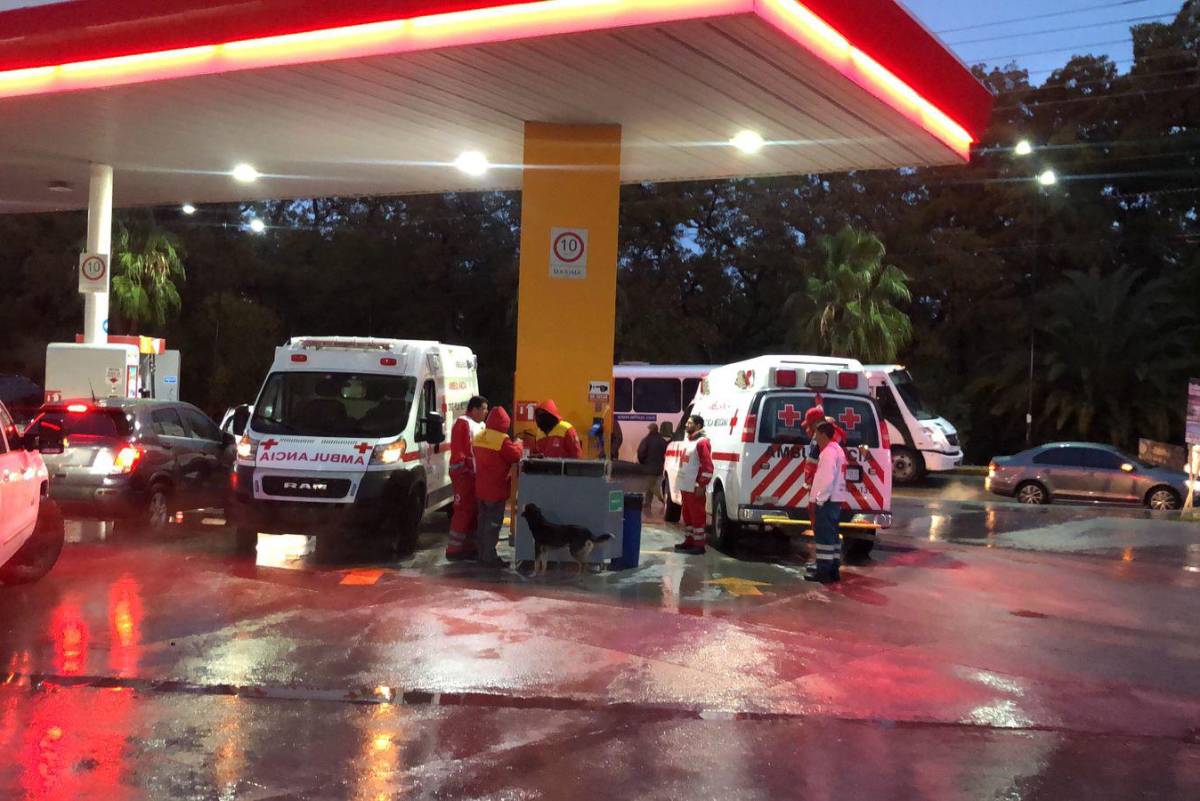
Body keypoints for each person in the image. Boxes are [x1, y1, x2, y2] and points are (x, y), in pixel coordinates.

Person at [473, 406, 523, 568]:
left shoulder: (479, 435)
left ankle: (482, 553)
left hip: (480, 488)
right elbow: (515, 455)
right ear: (505, 423)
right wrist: (519, 443)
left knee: (482, 522)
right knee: (493, 524)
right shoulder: (502, 440)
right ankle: (489, 557)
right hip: (496, 489)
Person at [445, 395, 488, 561]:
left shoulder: (481, 425)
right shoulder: (462, 423)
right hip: (464, 475)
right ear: (474, 409)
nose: (486, 412)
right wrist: (465, 468)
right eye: (483, 409)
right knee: (463, 510)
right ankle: (454, 549)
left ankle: (469, 546)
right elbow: (459, 451)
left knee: (473, 511)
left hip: (475, 475)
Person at [807, 421, 848, 584]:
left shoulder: (828, 453)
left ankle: (823, 572)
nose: (815, 438)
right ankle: (833, 569)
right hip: (835, 500)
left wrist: (820, 500)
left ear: (823, 434)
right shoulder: (837, 449)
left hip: (827, 501)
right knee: (833, 537)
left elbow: (826, 479)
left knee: (824, 538)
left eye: (816, 434)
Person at [673, 414, 713, 555]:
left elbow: (707, 467)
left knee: (697, 515)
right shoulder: (688, 441)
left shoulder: (702, 443)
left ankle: (699, 545)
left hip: (694, 487)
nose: (686, 425)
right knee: (688, 515)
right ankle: (689, 541)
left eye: (690, 423)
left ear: (698, 426)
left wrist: (701, 485)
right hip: (686, 485)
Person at [637, 422, 669, 515]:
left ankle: (662, 500)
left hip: (649, 467)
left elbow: (640, 452)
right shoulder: (663, 441)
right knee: (651, 485)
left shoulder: (646, 440)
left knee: (651, 486)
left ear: (651, 429)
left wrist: (642, 462)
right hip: (659, 467)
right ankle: (647, 504)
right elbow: (666, 453)